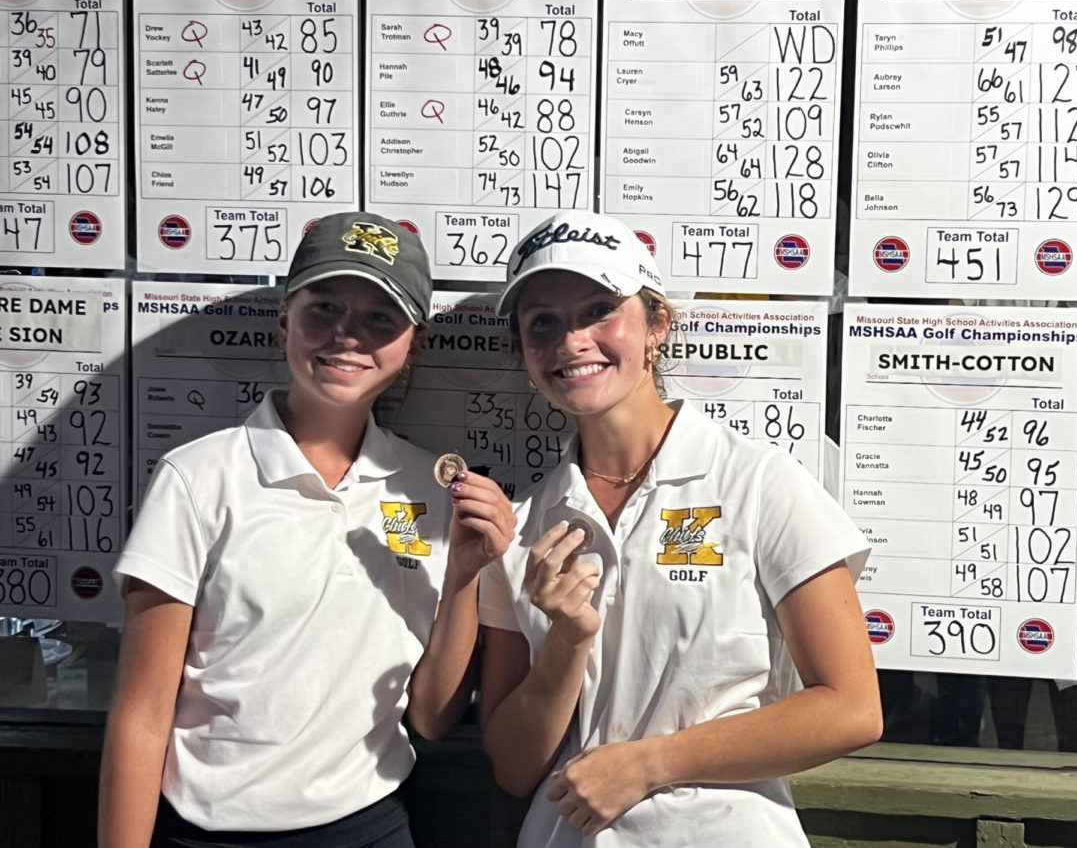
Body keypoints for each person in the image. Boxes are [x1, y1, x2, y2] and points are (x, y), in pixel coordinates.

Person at [99, 212, 514, 848]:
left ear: (414, 345)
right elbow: (140, 716)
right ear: (285, 317)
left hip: (372, 828)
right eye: (325, 307)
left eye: (382, 317)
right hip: (209, 835)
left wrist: (464, 572)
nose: (348, 335)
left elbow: (431, 716)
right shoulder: (198, 478)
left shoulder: (429, 488)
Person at [478, 209, 882, 847]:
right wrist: (568, 640)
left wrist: (647, 764)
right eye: (543, 323)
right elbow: (512, 764)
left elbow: (852, 709)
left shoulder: (757, 482)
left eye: (598, 311)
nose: (572, 340)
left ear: (656, 325)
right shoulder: (523, 524)